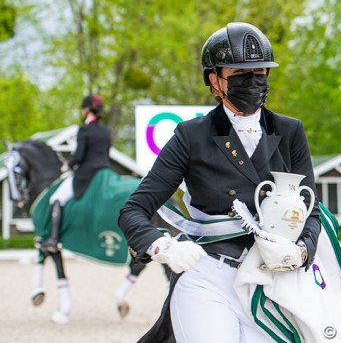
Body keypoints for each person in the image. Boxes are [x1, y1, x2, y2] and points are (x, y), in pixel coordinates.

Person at [118, 22, 322, 343]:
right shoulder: (190, 136)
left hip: (273, 282)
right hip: (209, 277)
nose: (254, 81)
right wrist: (163, 246)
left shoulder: (290, 131)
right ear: (215, 80)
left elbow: (312, 210)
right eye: (241, 74)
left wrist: (301, 251)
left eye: (261, 72)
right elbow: (134, 210)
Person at [41, 93, 112, 252]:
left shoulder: (84, 130)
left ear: (87, 110)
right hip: (105, 173)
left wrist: (68, 166)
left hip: (86, 175)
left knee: (57, 198)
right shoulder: (106, 131)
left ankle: (53, 240)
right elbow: (106, 154)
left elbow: (79, 156)